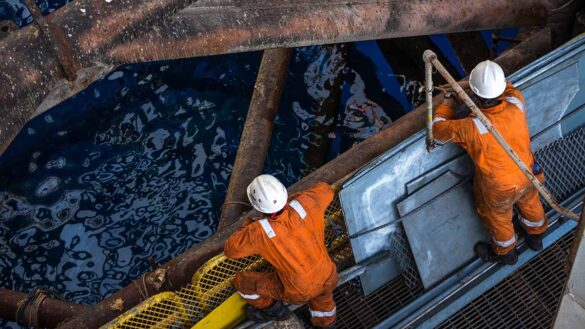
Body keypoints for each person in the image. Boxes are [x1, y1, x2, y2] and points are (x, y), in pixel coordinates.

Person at [432, 60, 548, 265]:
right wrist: (472, 86)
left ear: (476, 96)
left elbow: (438, 129)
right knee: (530, 202)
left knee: (498, 218)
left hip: (500, 189)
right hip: (528, 172)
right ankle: (536, 236)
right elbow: (508, 88)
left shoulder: (471, 127)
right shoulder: (516, 102)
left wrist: (449, 101)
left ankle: (506, 253)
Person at [224, 174, 338, 328]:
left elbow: (230, 250)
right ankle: (327, 323)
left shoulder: (259, 232)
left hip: (299, 291)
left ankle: (276, 311)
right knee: (323, 299)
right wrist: (296, 200)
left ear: (257, 207)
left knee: (243, 282)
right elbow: (326, 189)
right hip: (329, 275)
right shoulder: (307, 203)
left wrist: (248, 225)